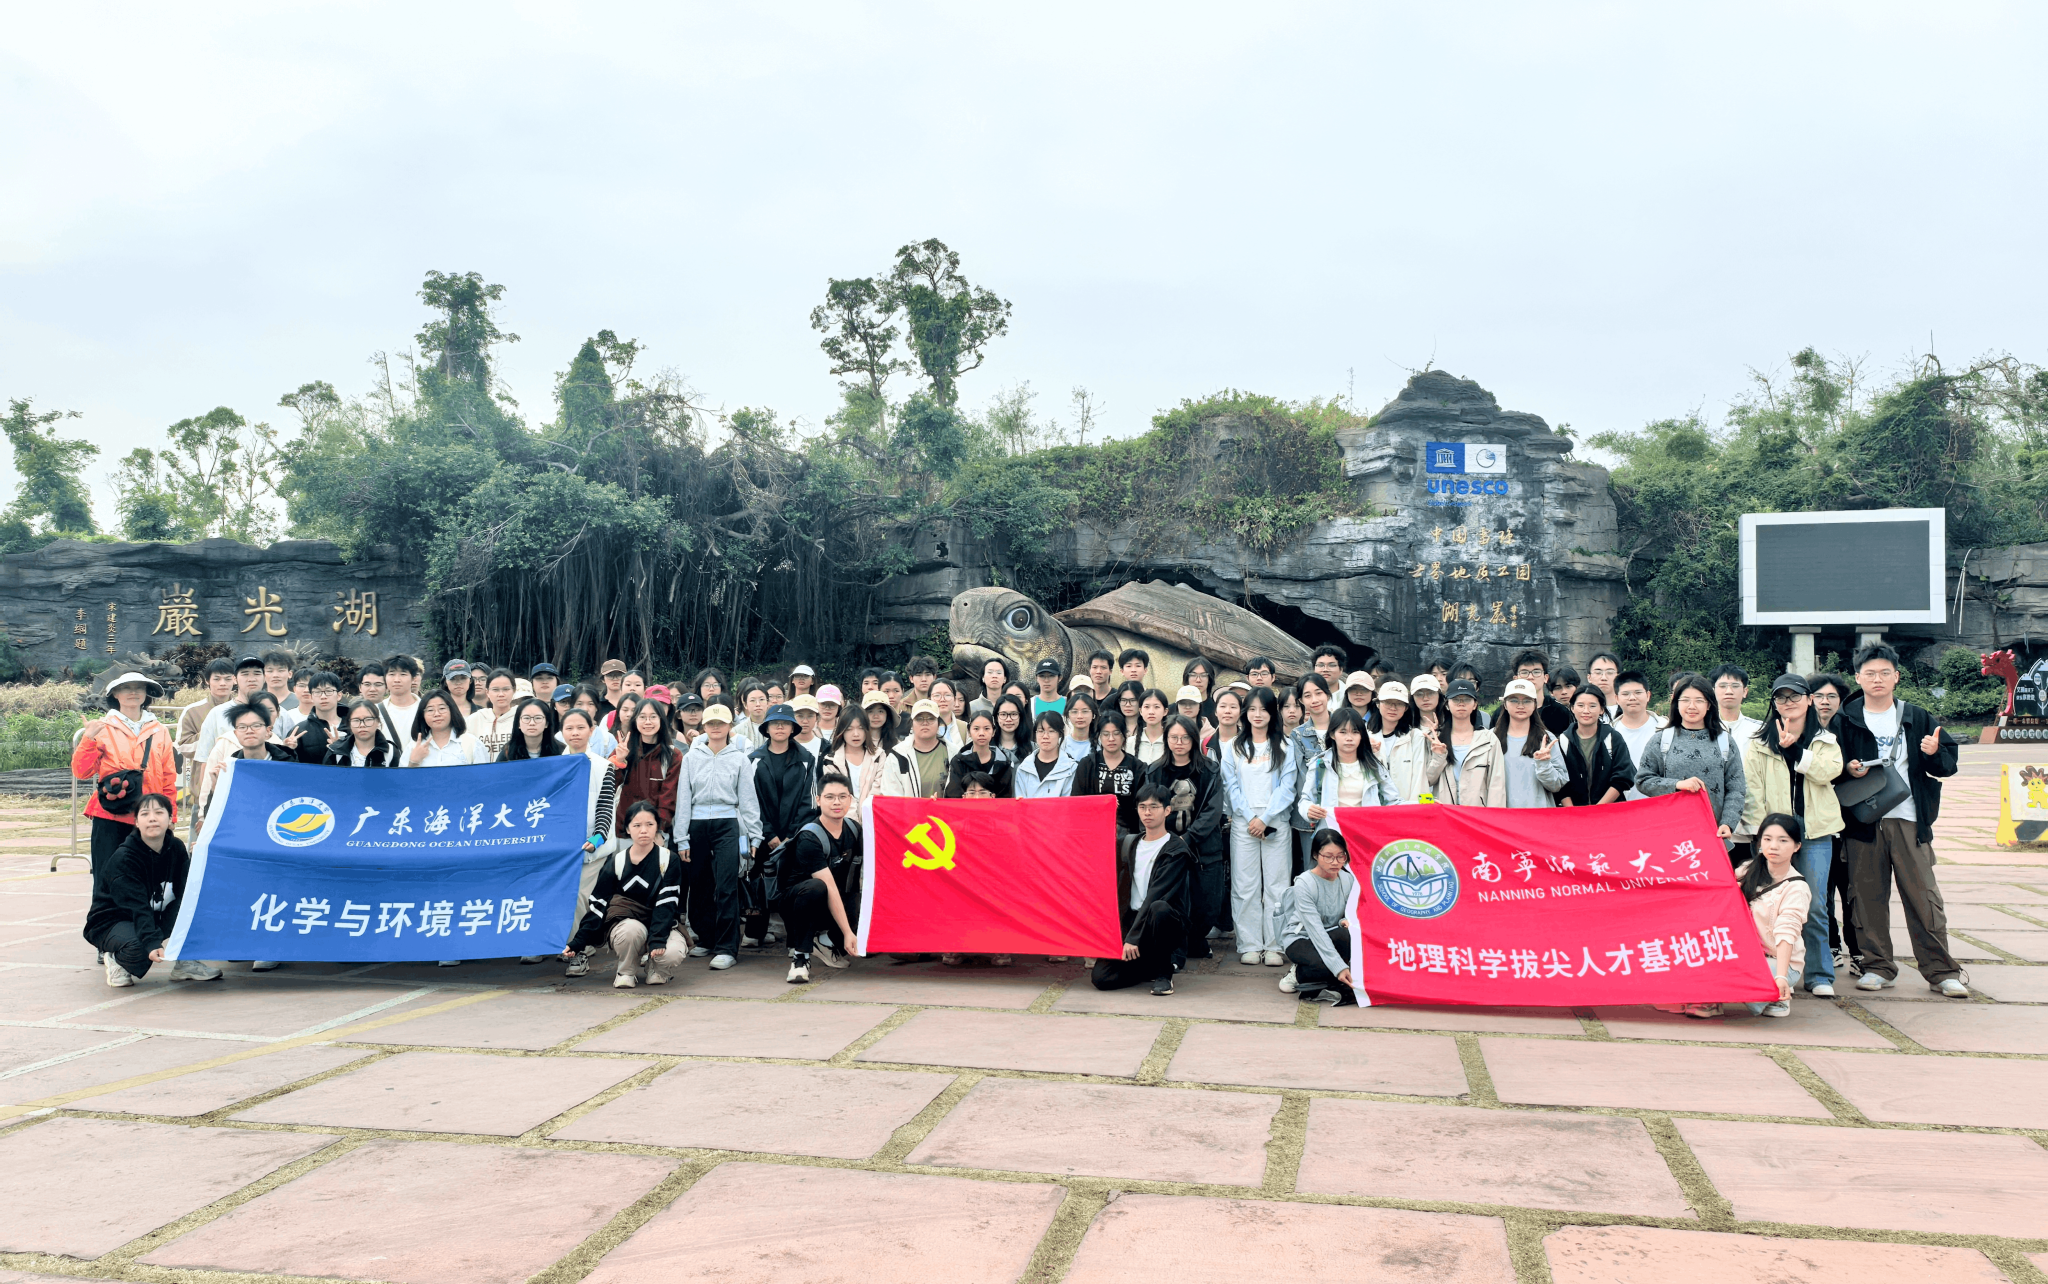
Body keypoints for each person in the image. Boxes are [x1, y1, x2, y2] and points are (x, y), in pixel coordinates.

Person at [1836, 643, 1964, 997]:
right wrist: (1846, 768)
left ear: (1896, 676)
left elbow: (1948, 764)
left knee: (1924, 897)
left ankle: (1941, 971)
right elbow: (1830, 766)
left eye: (1884, 673)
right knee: (1866, 897)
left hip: (1909, 820)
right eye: (1870, 673)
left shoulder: (1917, 717)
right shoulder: (1845, 720)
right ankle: (1878, 967)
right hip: (1863, 823)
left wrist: (1934, 754)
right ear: (1858, 677)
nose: (1877, 679)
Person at [1738, 673, 1844, 997]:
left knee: (1816, 904)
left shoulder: (1824, 740)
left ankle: (1819, 974)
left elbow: (1829, 771)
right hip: (1776, 833)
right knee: (1768, 903)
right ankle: (1775, 970)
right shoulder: (1758, 743)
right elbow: (1752, 791)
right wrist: (1763, 836)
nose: (1788, 703)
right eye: (1781, 697)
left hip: (1815, 830)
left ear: (1809, 700)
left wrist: (1795, 749)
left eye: (1795, 696)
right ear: (1774, 703)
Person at [85, 793, 220, 986]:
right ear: (136, 822)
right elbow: (137, 906)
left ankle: (185, 962)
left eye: (159, 812)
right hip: (114, 920)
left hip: (153, 914)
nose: (152, 818)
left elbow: (187, 893)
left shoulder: (176, 848)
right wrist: (151, 942)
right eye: (145, 814)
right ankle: (116, 958)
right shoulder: (125, 858)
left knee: (199, 909)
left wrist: (200, 858)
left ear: (170, 819)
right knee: (139, 946)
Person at [674, 703, 762, 971]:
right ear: (704, 726)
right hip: (697, 823)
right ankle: (707, 938)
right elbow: (684, 798)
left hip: (728, 823)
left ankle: (726, 947)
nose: (715, 727)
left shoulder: (739, 758)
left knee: (726, 885)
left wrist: (755, 835)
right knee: (699, 884)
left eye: (720, 723)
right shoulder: (691, 757)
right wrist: (681, 837)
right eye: (711, 723)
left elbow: (748, 799)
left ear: (729, 726)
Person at [563, 801, 687, 988]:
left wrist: (658, 940)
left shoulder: (669, 859)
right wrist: (578, 942)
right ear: (628, 829)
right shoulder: (617, 861)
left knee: (672, 952)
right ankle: (626, 971)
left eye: (649, 824)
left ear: (657, 827)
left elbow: (666, 904)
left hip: (662, 927)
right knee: (630, 930)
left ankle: (658, 969)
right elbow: (598, 905)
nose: (643, 830)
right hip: (627, 926)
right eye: (637, 825)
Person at [1089, 784, 1193, 996]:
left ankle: (1164, 974)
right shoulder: (1128, 844)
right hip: (1133, 920)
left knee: (1159, 907)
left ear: (1167, 810)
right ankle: (1147, 967)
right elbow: (1094, 849)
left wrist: (1132, 938)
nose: (1147, 812)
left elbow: (1157, 894)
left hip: (1163, 923)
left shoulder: (1176, 850)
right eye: (1142, 807)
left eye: (1154, 807)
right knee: (1102, 978)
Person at [1220, 686, 1297, 967]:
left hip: (1276, 822)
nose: (1257, 714)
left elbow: (1288, 787)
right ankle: (1250, 943)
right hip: (1244, 823)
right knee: (1245, 884)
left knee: (1277, 884)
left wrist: (1266, 818)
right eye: (1252, 709)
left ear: (1272, 713)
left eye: (1263, 709)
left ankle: (1275, 944)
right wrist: (1250, 816)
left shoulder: (1285, 745)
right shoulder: (1234, 747)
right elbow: (1230, 785)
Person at [71, 672, 179, 868]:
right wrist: (88, 739)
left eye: (139, 688)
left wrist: (171, 814)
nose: (133, 692)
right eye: (126, 688)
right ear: (115, 694)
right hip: (111, 814)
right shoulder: (101, 728)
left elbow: (168, 777)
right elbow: (81, 771)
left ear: (146, 694)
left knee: (146, 875)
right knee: (108, 874)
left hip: (149, 815)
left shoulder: (160, 730)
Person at [1634, 673, 1747, 850]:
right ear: (1676, 703)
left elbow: (1736, 787)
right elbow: (1643, 780)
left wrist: (1728, 822)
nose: (1692, 706)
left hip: (1713, 833)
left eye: (1699, 700)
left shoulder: (1725, 741)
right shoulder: (1661, 740)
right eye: (1685, 700)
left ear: (1709, 704)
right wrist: (1677, 784)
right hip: (1669, 834)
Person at [776, 771, 864, 984]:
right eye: (830, 797)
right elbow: (828, 886)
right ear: (818, 800)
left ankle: (823, 940)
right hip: (796, 901)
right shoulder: (810, 837)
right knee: (817, 887)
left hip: (830, 895)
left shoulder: (854, 829)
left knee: (856, 901)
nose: (837, 802)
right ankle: (800, 958)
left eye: (842, 797)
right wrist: (847, 932)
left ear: (850, 799)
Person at [1804, 672, 1861, 964]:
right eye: (1818, 696)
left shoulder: (1850, 728)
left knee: (1850, 887)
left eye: (1831, 696)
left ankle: (1858, 949)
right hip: (1816, 823)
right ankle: (1831, 945)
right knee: (1820, 891)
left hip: (1850, 820)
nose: (1824, 702)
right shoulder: (1801, 730)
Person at [748, 703, 816, 946]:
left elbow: (809, 801)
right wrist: (768, 833)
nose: (780, 727)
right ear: (766, 728)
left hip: (794, 835)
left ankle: (794, 941)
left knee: (793, 884)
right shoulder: (753, 759)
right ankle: (755, 933)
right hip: (762, 833)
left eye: (785, 723)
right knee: (758, 880)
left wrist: (790, 835)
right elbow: (750, 800)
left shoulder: (806, 759)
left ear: (793, 728)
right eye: (774, 723)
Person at [1280, 829, 1358, 1005]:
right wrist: (1339, 967)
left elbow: (1349, 913)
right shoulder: (1304, 883)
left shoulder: (1347, 879)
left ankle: (1319, 980)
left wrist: (1345, 921)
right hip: (1301, 938)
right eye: (1328, 856)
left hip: (1332, 933)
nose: (1335, 862)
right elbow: (1315, 930)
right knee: (1328, 965)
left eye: (1341, 856)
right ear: (1316, 855)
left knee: (1347, 935)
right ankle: (1298, 973)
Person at [1307, 708, 1397, 823]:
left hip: (1366, 828)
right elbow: (1306, 799)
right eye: (1343, 732)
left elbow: (1393, 800)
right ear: (1332, 734)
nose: (1349, 738)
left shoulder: (1374, 766)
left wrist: (1418, 808)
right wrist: (1309, 810)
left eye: (1355, 732)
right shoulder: (1320, 765)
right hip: (1332, 829)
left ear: (1361, 735)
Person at [1489, 679, 1567, 807]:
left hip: (1538, 814)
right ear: (1505, 704)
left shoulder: (1545, 738)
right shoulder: (1491, 738)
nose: (1520, 706)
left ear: (1535, 704)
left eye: (1527, 701)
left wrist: (1544, 765)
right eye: (1514, 700)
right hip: (1501, 814)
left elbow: (1557, 785)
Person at [1288, 676, 1336, 874]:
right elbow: (1301, 777)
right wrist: (1309, 808)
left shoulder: (1344, 727)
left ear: (1328, 694)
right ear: (1301, 700)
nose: (1314, 700)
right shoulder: (1298, 735)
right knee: (1314, 868)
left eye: (1319, 693)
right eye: (1308, 696)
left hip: (1341, 811)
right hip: (1311, 816)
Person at [176, 658, 235, 818]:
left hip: (237, 783)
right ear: (207, 681)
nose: (222, 683)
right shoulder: (193, 711)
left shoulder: (245, 709)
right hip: (204, 786)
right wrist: (210, 737)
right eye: (217, 679)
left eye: (227, 678)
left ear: (235, 680)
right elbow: (183, 746)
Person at [1558, 687, 1636, 806]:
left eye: (1592, 706)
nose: (1586, 711)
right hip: (1574, 812)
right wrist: (1571, 810)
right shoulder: (1563, 740)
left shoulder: (1613, 737)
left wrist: (1598, 809)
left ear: (1602, 709)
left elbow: (1623, 777)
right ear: (1572, 708)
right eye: (1580, 705)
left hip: (1610, 810)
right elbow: (1560, 781)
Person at [1368, 681, 1439, 804]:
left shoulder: (1415, 736)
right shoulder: (1366, 736)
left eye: (1399, 704)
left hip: (1406, 808)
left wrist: (1419, 806)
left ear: (1406, 708)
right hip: (1373, 808)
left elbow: (1420, 779)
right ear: (1378, 704)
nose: (1393, 708)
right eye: (1388, 702)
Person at [1074, 710, 1144, 835]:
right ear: (1099, 736)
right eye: (1106, 734)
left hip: (1126, 831)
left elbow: (1141, 805)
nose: (1111, 739)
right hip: (1092, 828)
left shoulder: (1137, 767)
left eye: (1116, 733)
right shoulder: (1087, 764)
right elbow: (1077, 801)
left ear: (1124, 735)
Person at [1609, 670, 1666, 800]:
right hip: (1622, 804)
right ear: (1617, 698)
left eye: (1638, 693)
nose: (1632, 698)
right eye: (1626, 694)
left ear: (1648, 695)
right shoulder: (1608, 733)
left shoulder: (1665, 728)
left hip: (1660, 802)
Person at [405, 691, 489, 768]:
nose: (437, 714)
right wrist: (413, 762)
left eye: (442, 708)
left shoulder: (472, 743)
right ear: (422, 715)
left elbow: (484, 776)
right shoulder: (414, 746)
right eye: (430, 710)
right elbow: (402, 778)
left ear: (452, 711)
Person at [944, 711, 1015, 798]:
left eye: (986, 728)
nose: (981, 733)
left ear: (993, 732)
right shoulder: (959, 761)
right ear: (969, 732)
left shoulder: (1003, 763)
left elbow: (1005, 798)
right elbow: (954, 795)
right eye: (976, 729)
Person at [890, 700, 950, 798]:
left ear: (938, 723)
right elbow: (890, 794)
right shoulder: (897, 755)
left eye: (931, 718)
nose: (925, 723)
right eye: (919, 719)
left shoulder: (952, 752)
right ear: (912, 724)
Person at [1014, 711, 1079, 798]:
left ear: (1060, 734)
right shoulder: (1024, 768)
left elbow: (1069, 802)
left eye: (1051, 731)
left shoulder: (1071, 768)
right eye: (1041, 731)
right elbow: (1020, 801)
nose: (1045, 736)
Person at [1508, 649, 1573, 735]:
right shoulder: (1504, 712)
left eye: (1536, 672)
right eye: (1524, 672)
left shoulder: (1560, 712)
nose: (1530, 677)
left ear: (1545, 678)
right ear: (1515, 679)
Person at [325, 699, 399, 767]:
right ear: (349, 723)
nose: (362, 725)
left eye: (368, 719)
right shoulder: (336, 752)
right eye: (356, 720)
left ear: (378, 722)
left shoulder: (390, 751)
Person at [465, 668, 519, 758]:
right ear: (487, 692)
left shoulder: (521, 717)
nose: (501, 694)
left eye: (506, 689)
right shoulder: (474, 720)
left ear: (514, 690)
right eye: (495, 690)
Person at [380, 655, 424, 758]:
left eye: (403, 674)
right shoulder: (376, 711)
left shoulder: (425, 709)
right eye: (391, 674)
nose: (397, 680)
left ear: (413, 678)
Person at [497, 697, 563, 761]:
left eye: (538, 718)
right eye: (526, 718)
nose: (532, 723)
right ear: (518, 723)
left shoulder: (561, 750)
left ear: (547, 723)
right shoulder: (507, 752)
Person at [1132, 688, 1171, 765]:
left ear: (1165, 711)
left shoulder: (1172, 742)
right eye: (1147, 707)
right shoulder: (1130, 743)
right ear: (1140, 711)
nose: (1151, 712)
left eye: (1156, 707)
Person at [732, 680, 770, 752]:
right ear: (745, 705)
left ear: (767, 702)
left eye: (761, 699)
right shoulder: (737, 731)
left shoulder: (775, 727)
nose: (758, 704)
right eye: (752, 700)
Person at [1062, 692, 1099, 763]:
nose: (1080, 716)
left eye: (1085, 711)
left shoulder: (1101, 744)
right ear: (1068, 715)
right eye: (1074, 712)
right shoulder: (1061, 744)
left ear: (1093, 714)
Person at [1585, 651, 1622, 718]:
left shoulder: (1628, 710)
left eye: (1610, 672)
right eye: (1598, 672)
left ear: (1618, 677)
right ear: (1589, 677)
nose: (1604, 678)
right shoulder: (1580, 711)